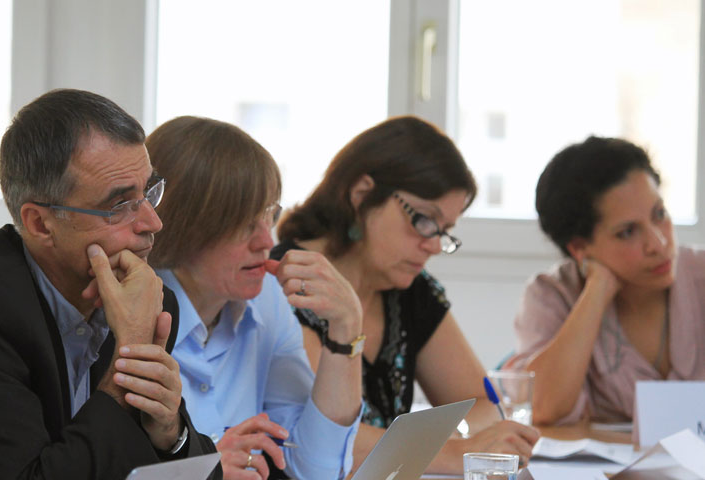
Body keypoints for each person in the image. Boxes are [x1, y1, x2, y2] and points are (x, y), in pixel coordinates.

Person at [0, 89, 221, 479]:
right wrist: (130, 357)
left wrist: (170, 433)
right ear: (40, 224)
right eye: (119, 206)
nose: (153, 223)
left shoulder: (147, 299)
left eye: (149, 193)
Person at [271, 116, 540, 475]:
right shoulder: (287, 280)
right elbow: (320, 437)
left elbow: (484, 405)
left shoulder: (411, 290)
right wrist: (458, 450)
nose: (431, 245)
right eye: (424, 220)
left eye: (444, 231)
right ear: (362, 194)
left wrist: (453, 439)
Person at [146, 116, 363, 480]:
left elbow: (316, 468)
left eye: (270, 216)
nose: (267, 241)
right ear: (183, 226)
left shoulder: (267, 302)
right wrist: (204, 469)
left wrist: (347, 327)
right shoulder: (128, 314)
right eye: (246, 223)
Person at [506, 136, 705, 425]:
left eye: (659, 214)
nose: (658, 243)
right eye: (627, 232)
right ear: (579, 248)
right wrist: (597, 289)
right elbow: (544, 408)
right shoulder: (551, 294)